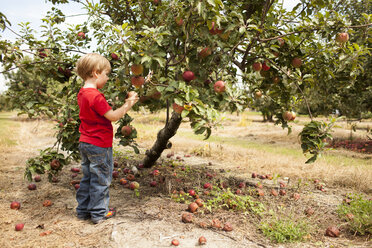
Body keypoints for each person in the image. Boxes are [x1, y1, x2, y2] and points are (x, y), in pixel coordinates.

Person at [75, 53, 139, 224]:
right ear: (96, 73)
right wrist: (129, 104)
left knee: (88, 177)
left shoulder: (82, 93)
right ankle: (99, 213)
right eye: (106, 74)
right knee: (101, 179)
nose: (107, 78)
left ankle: (82, 211)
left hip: (85, 142)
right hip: (99, 145)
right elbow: (112, 116)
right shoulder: (96, 96)